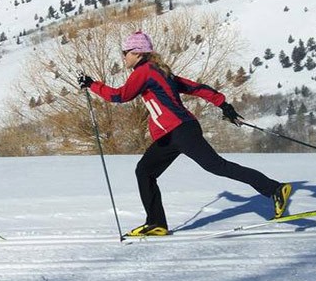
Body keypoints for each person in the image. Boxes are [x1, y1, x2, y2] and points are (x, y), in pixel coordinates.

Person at [78, 31, 292, 236]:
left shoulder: (145, 71)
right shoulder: (159, 71)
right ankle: (156, 224)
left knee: (216, 166)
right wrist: (222, 104)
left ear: (138, 53)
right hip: (171, 135)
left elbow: (119, 96)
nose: (123, 57)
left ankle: (275, 189)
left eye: (125, 53)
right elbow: (195, 87)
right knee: (145, 171)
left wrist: (92, 84)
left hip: (179, 131)